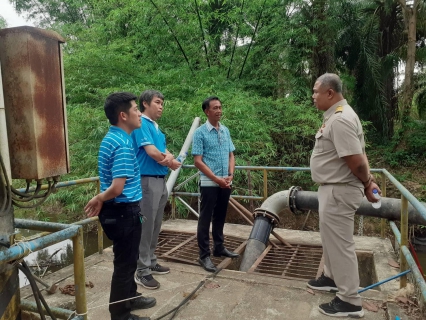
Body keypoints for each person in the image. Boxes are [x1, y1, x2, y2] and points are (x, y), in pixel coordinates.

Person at [308, 73, 381, 318]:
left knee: (341, 245)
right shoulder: (336, 116)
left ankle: (350, 300)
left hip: (339, 190)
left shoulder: (340, 120)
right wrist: (367, 181)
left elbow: (357, 162)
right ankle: (330, 277)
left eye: (316, 91)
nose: (313, 96)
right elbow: (358, 153)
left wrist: (368, 181)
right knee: (330, 240)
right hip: (332, 189)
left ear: (330, 93)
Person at [85, 92, 156, 320]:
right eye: (136, 109)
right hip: (123, 211)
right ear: (123, 115)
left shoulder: (115, 138)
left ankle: (130, 297)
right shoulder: (122, 145)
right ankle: (120, 315)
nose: (139, 113)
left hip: (123, 211)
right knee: (125, 266)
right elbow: (117, 188)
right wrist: (99, 198)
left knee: (129, 259)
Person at [131, 90, 181, 290]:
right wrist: (168, 160)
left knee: (155, 224)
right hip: (146, 180)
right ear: (145, 103)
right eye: (157, 102)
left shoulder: (156, 129)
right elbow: (152, 152)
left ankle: (151, 260)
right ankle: (141, 270)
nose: (161, 106)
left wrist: (169, 158)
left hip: (159, 181)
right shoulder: (141, 124)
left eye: (162, 103)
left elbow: (165, 151)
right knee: (145, 225)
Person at [192, 96, 239, 273]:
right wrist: (216, 178)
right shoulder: (200, 133)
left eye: (220, 107)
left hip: (225, 181)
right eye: (215, 108)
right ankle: (204, 255)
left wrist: (230, 175)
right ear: (207, 111)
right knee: (205, 218)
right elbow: (198, 161)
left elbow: (231, 155)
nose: (219, 110)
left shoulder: (225, 130)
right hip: (209, 183)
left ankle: (219, 247)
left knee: (220, 215)